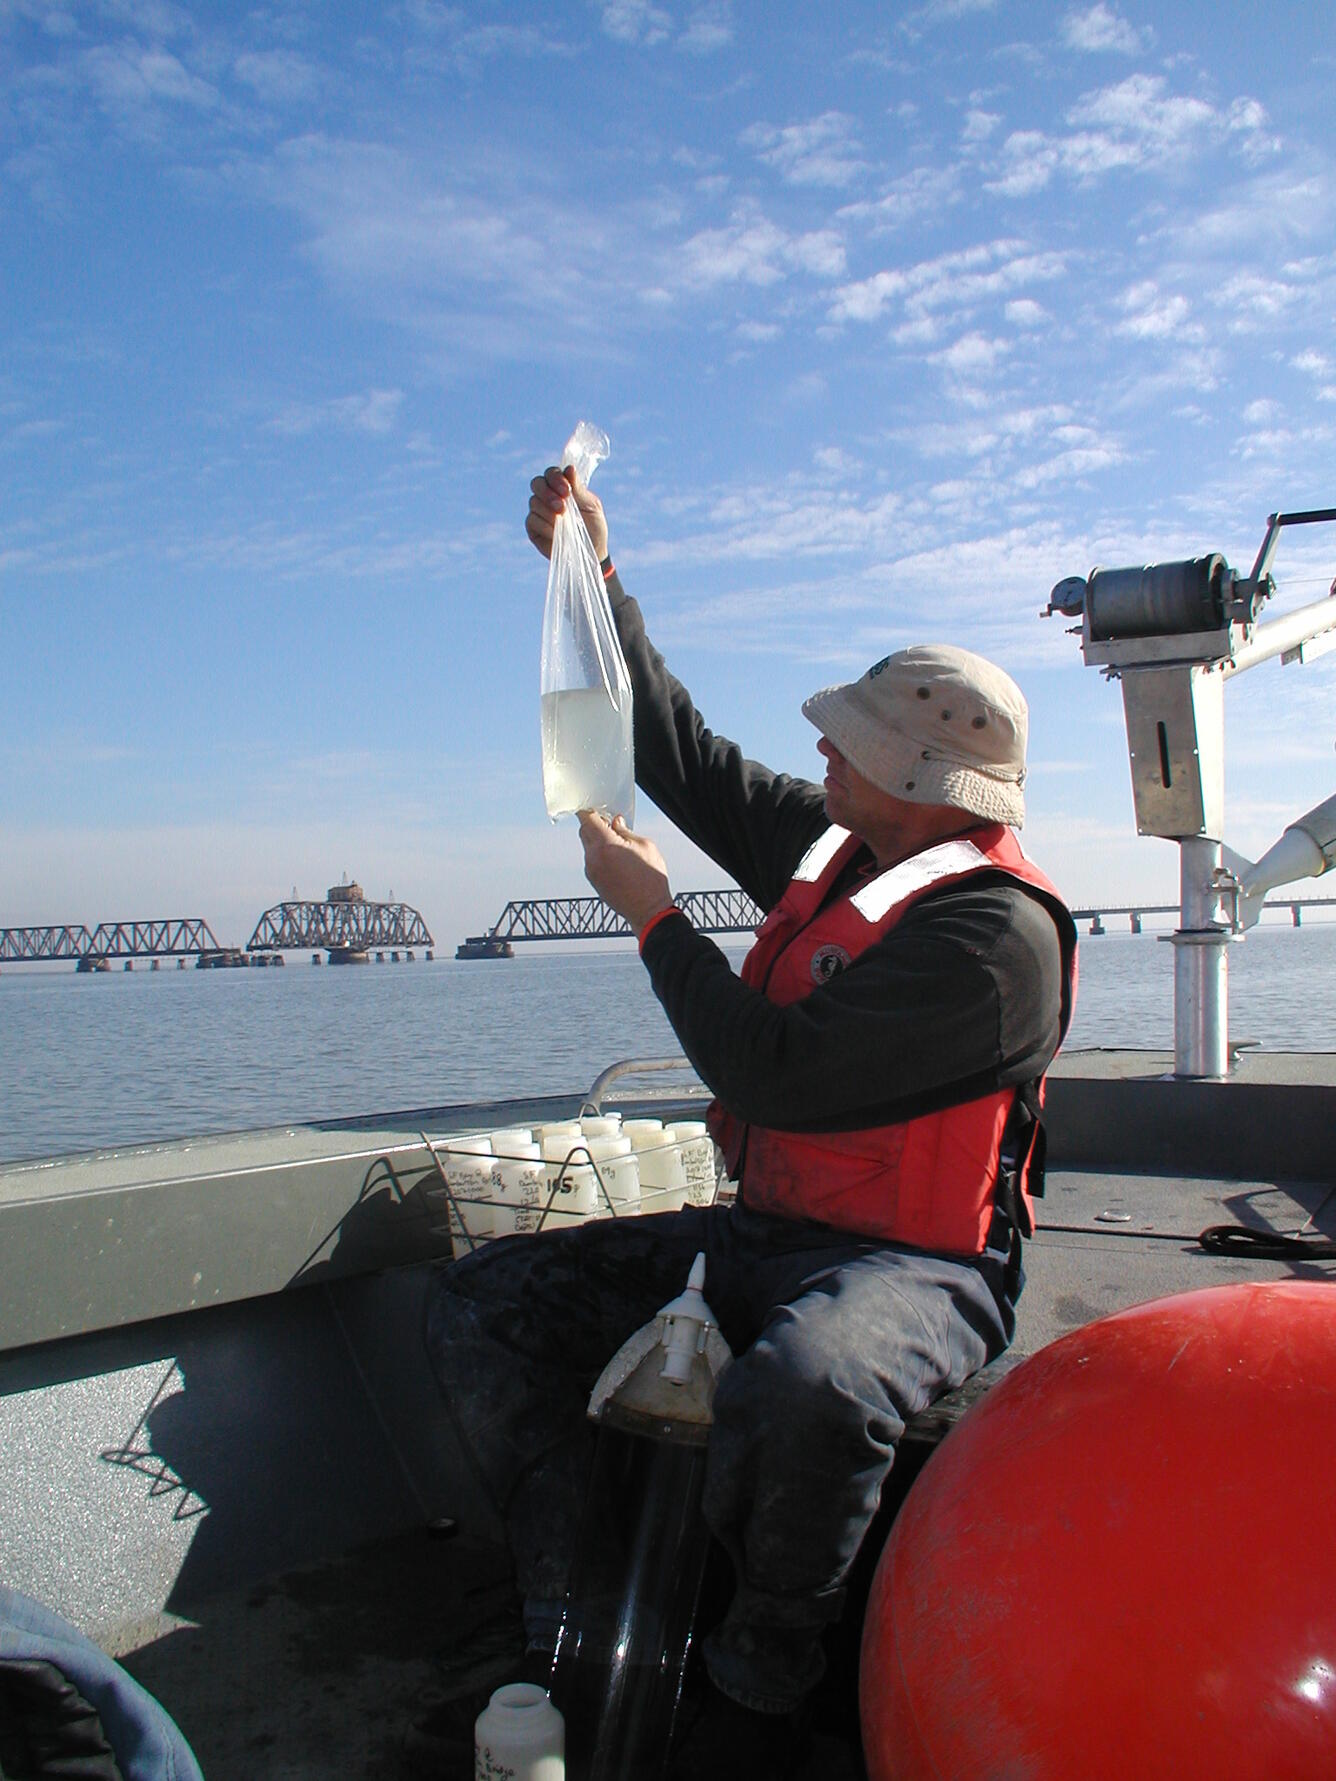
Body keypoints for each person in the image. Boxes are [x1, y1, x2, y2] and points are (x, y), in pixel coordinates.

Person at [423, 464, 1078, 1777]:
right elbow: (677, 749)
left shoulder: (992, 936)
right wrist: (591, 574)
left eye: (848, 737)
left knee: (809, 1384)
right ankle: (571, 1602)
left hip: (919, 1269)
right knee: (487, 1306)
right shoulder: (840, 843)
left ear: (922, 774)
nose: (820, 747)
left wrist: (653, 916)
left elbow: (772, 1073)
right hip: (773, 1227)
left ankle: (759, 1681)